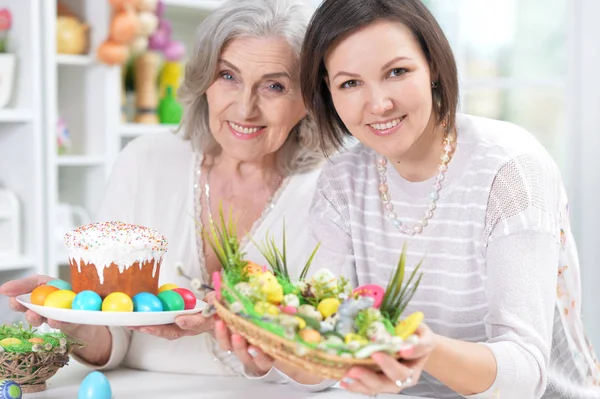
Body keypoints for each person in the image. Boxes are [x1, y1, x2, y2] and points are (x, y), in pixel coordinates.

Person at [0, 0, 330, 385]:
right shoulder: (145, 160)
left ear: (308, 99)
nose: (245, 108)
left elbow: (329, 362)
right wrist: (75, 320)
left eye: (275, 86)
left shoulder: (330, 188)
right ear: (204, 78)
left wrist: (245, 337)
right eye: (228, 76)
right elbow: (113, 338)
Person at [290, 0, 600, 397]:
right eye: (350, 83)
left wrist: (425, 348)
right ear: (327, 92)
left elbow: (525, 375)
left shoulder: (511, 169)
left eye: (397, 72)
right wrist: (269, 346)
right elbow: (328, 354)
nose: (379, 104)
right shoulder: (341, 180)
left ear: (433, 66)